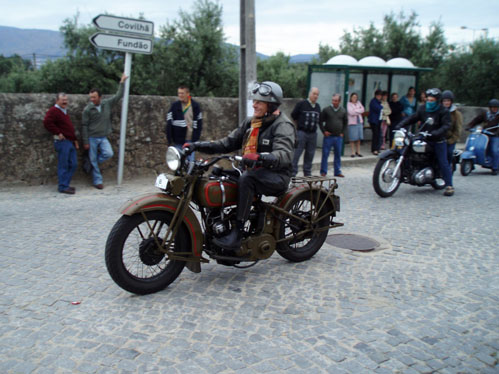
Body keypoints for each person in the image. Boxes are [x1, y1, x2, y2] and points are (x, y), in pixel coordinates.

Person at [184, 81, 295, 251]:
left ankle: (237, 232)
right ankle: (218, 225)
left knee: (247, 179)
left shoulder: (283, 125)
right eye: (254, 101)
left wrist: (261, 157)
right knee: (218, 177)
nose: (254, 104)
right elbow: (226, 143)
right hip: (254, 171)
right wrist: (196, 145)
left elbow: (285, 154)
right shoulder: (252, 123)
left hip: (277, 175)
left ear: (271, 104)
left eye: (259, 101)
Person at [396, 88, 454, 196]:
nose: (429, 102)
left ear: (437, 100)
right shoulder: (423, 108)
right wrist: (400, 125)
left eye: (432, 100)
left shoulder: (443, 111)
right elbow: (413, 118)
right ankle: (407, 172)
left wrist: (436, 133)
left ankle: (449, 185)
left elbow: (446, 125)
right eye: (428, 100)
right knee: (407, 149)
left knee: (443, 161)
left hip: (437, 139)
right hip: (423, 136)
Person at [82, 73, 128, 189]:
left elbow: (118, 96)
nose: (92, 100)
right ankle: (98, 181)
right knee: (92, 158)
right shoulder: (88, 109)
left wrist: (122, 82)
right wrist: (85, 141)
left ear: (100, 97)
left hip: (103, 137)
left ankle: (93, 163)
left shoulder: (106, 104)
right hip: (92, 137)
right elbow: (84, 125)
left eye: (94, 97)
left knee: (108, 153)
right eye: (91, 97)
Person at [43, 93, 79, 194]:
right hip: (62, 142)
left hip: (69, 141)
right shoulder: (54, 110)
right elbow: (46, 122)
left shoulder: (63, 111)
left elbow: (68, 127)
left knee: (73, 164)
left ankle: (65, 184)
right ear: (57, 101)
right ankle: (63, 186)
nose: (65, 102)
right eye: (63, 100)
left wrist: (75, 140)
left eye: (66, 100)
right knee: (63, 165)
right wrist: (57, 132)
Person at [165, 85, 203, 162]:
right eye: (179, 93)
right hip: (178, 140)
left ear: (188, 94)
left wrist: (196, 138)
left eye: (182, 93)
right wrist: (170, 139)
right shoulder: (174, 106)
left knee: (190, 162)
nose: (180, 95)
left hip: (191, 140)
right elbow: (169, 123)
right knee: (178, 162)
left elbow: (199, 123)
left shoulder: (195, 106)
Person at [291, 87, 321, 176]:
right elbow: (293, 115)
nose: (315, 96)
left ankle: (307, 174)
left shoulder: (318, 106)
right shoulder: (301, 104)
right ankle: (293, 173)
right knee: (297, 153)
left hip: (313, 134)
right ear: (310, 93)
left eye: (317, 94)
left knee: (310, 154)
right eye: (314, 94)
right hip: (302, 133)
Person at [466, 98, 499, 175]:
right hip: (485, 134)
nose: (494, 109)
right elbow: (476, 120)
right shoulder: (485, 114)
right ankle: (475, 161)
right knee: (478, 147)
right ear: (490, 108)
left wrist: (496, 132)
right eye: (493, 107)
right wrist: (469, 126)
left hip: (495, 136)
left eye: (496, 107)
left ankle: (495, 167)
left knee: (494, 150)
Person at [319, 94, 347, 177]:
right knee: (325, 154)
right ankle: (323, 171)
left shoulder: (343, 111)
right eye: (333, 100)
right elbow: (320, 121)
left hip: (338, 136)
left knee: (338, 154)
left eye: (335, 101)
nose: (334, 102)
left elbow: (345, 122)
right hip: (329, 136)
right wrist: (324, 131)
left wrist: (343, 132)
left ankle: (337, 171)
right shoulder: (326, 110)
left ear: (339, 101)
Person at [441, 90, 462, 169]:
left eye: (448, 101)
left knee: (449, 153)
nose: (446, 103)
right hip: (439, 138)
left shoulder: (456, 114)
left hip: (450, 139)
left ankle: (448, 168)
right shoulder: (439, 111)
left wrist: (451, 140)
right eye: (444, 101)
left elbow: (457, 130)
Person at [347, 92, 365, 157]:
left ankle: (358, 151)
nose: (355, 98)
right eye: (353, 97)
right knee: (352, 138)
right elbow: (351, 112)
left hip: (359, 122)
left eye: (356, 97)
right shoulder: (349, 104)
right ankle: (353, 152)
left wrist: (355, 110)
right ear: (351, 98)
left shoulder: (358, 103)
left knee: (358, 138)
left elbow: (363, 109)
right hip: (352, 123)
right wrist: (358, 110)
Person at [368, 89, 383, 155]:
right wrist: (382, 107)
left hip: (378, 120)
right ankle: (374, 149)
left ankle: (377, 147)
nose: (380, 97)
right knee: (375, 134)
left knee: (378, 134)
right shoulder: (373, 101)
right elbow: (378, 108)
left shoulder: (379, 102)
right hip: (374, 120)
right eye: (379, 95)